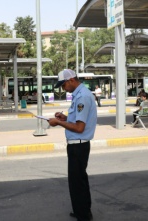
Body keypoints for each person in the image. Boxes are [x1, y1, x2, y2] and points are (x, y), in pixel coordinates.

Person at [48, 69, 97, 221]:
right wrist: (65, 117)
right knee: (78, 180)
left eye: (63, 85)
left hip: (78, 145)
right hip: (78, 145)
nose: (63, 89)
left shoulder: (82, 97)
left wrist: (59, 122)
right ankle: (81, 211)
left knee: (77, 182)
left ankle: (83, 215)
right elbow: (76, 119)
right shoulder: (80, 94)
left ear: (71, 80)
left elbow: (79, 128)